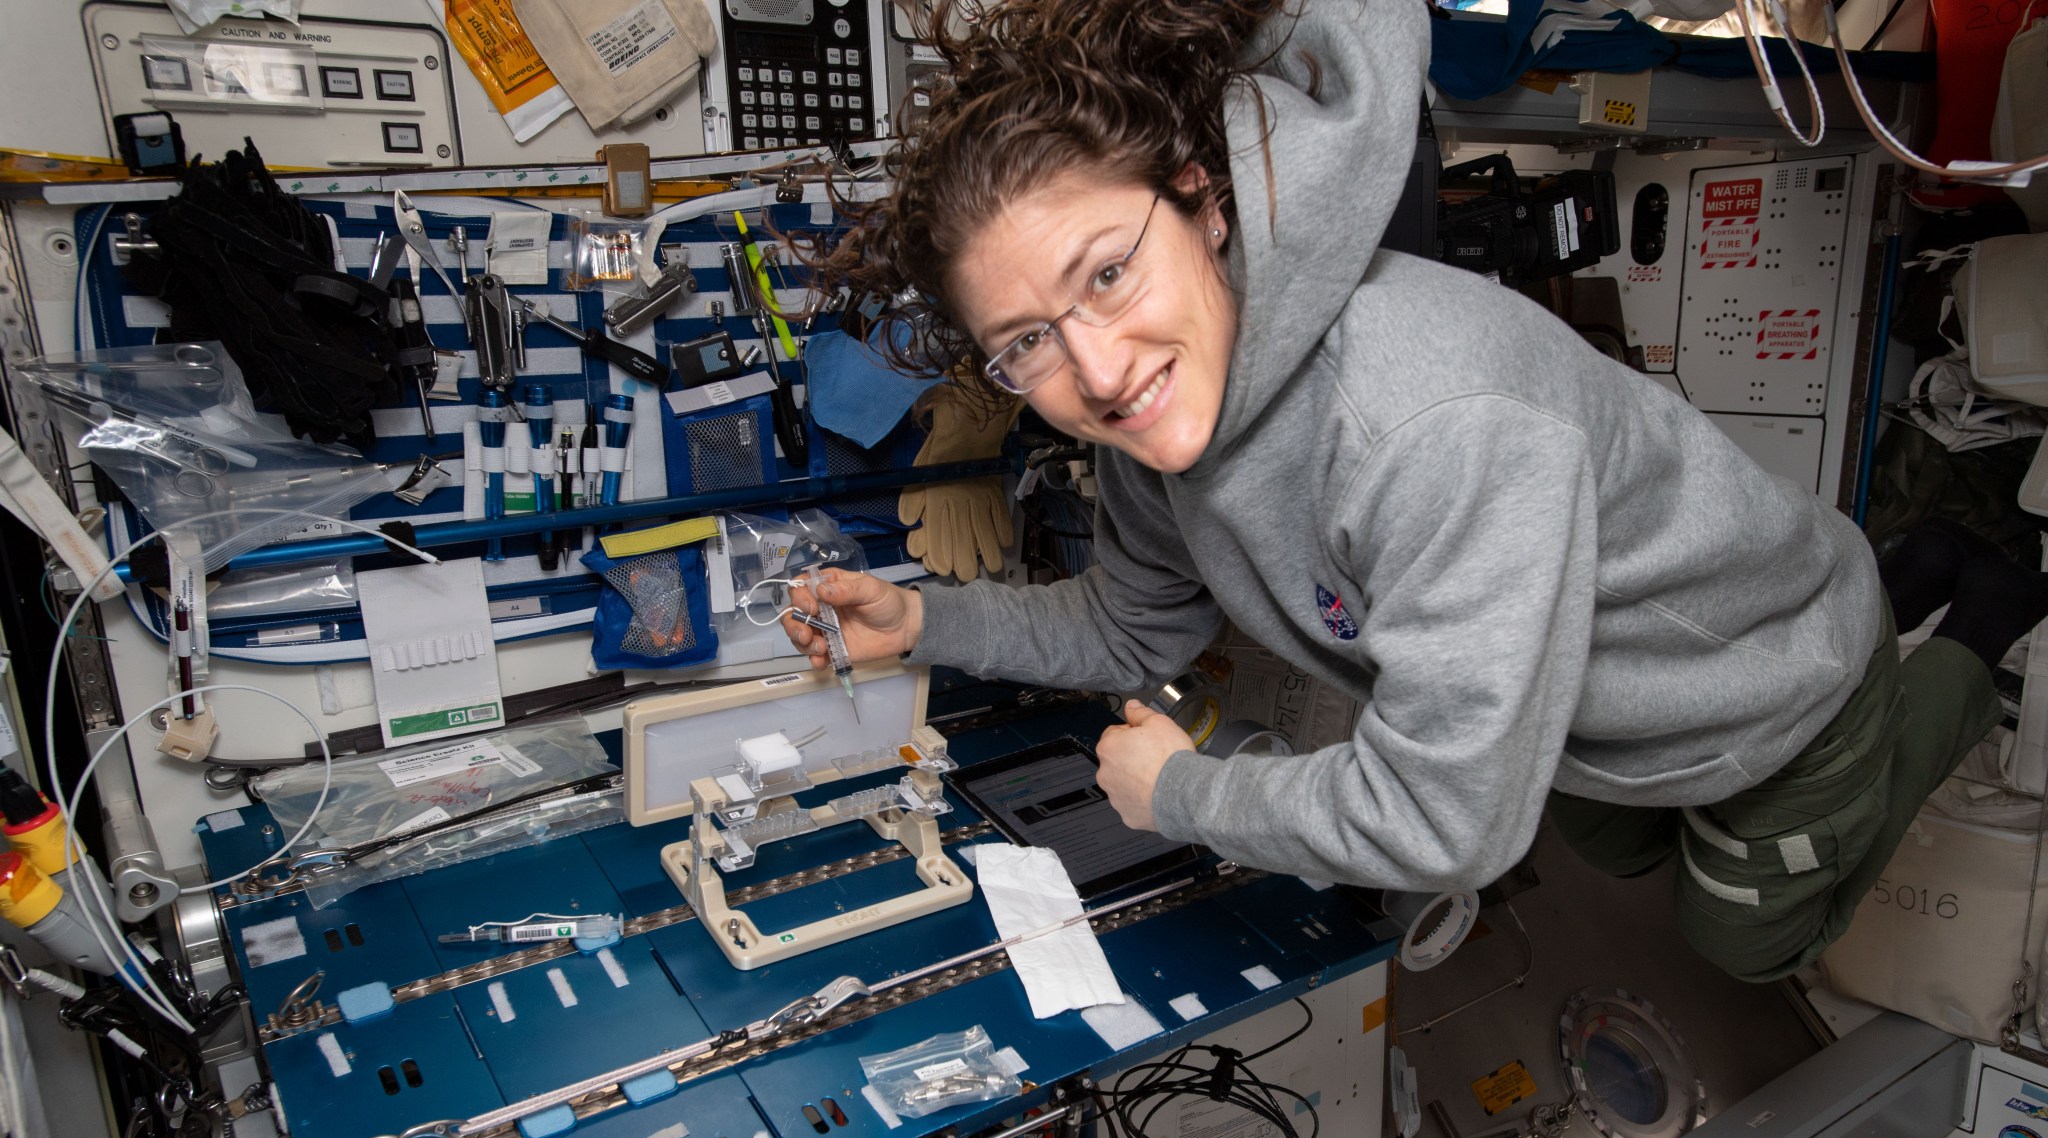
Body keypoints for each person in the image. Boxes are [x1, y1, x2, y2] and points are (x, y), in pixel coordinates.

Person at [784, 0, 2046, 981]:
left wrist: (1186, 797)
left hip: (1777, 693)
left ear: (1197, 200)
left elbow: (1447, 826)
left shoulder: (1430, 420)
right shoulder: (1161, 414)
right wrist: (927, 622)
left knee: (1736, 939)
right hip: (1606, 725)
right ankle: (1909, 566)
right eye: (1026, 343)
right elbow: (1129, 626)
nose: (1096, 372)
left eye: (1106, 274)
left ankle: (1956, 639)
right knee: (1612, 845)